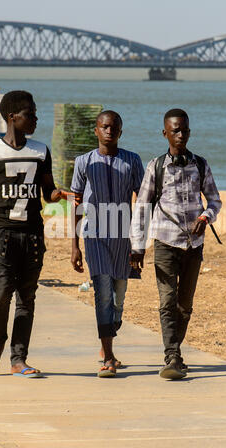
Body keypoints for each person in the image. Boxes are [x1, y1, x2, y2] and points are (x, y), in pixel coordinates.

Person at [0, 90, 73, 378]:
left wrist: (58, 193)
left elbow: (47, 192)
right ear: (13, 117)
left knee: (27, 298)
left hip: (33, 235)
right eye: (30, 115)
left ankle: (18, 359)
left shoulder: (40, 151)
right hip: (2, 235)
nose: (36, 119)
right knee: (1, 294)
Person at [130, 108, 222, 380]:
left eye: (184, 130)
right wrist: (137, 247)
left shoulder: (201, 165)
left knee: (185, 304)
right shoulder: (155, 166)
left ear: (189, 132)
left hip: (194, 245)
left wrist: (206, 216)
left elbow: (215, 200)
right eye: (175, 130)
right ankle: (172, 356)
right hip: (165, 242)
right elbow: (143, 207)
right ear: (165, 133)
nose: (180, 135)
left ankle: (175, 352)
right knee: (167, 300)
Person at [70, 110, 144, 377]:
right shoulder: (84, 162)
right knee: (102, 292)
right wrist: (74, 245)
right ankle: (109, 357)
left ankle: (108, 335)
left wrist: (140, 243)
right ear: (96, 131)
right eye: (104, 127)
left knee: (118, 297)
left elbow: (143, 200)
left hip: (123, 237)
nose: (109, 131)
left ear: (121, 132)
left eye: (114, 127)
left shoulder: (132, 161)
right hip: (95, 236)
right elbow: (75, 202)